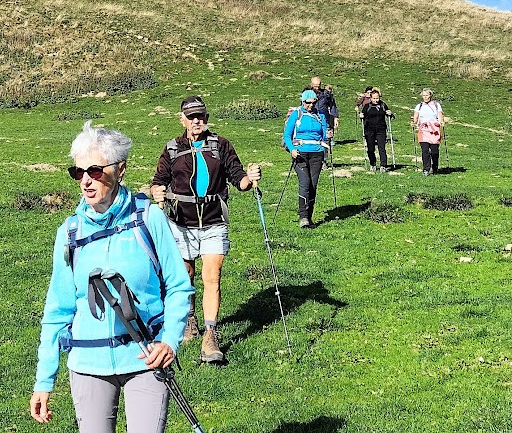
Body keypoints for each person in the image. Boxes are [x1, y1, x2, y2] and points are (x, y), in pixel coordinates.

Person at [31, 121, 195, 433]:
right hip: (87, 365)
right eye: (78, 172)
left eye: (94, 171)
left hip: (146, 358)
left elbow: (178, 285)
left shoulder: (149, 219)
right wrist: (44, 380)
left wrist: (169, 341)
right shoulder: (69, 232)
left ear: (120, 170)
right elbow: (58, 308)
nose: (86, 181)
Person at [149, 96, 260, 365]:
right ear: (182, 120)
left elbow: (238, 178)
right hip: (181, 222)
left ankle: (210, 335)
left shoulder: (221, 145)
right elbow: (158, 180)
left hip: (213, 221)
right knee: (185, 276)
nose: (196, 121)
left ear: (207, 118)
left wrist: (250, 178)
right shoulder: (172, 148)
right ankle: (190, 319)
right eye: (191, 117)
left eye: (200, 116)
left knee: (212, 276)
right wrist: (157, 191)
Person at [284, 89, 330, 228]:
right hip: (300, 154)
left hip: (317, 153)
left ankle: (309, 217)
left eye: (313, 103)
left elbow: (324, 135)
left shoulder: (320, 115)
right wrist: (292, 149)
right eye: (308, 103)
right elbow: (287, 135)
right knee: (305, 183)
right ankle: (303, 217)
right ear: (302, 101)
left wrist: (328, 135)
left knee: (313, 186)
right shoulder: (296, 114)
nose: (310, 105)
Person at [356, 87, 394, 171]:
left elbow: (389, 114)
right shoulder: (367, 106)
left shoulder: (383, 105)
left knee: (381, 148)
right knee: (370, 148)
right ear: (371, 98)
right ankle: (372, 164)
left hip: (381, 129)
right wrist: (361, 116)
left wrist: (390, 113)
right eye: (374, 98)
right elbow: (363, 115)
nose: (376, 100)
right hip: (369, 129)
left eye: (377, 98)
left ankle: (383, 165)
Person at [411, 88, 444, 176]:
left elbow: (440, 115)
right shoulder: (419, 106)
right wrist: (414, 122)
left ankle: (435, 167)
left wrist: (441, 122)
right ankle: (426, 169)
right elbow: (415, 117)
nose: (425, 97)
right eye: (423, 95)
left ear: (430, 95)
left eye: (426, 95)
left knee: (434, 151)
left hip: (434, 130)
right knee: (425, 150)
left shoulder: (436, 105)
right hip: (423, 129)